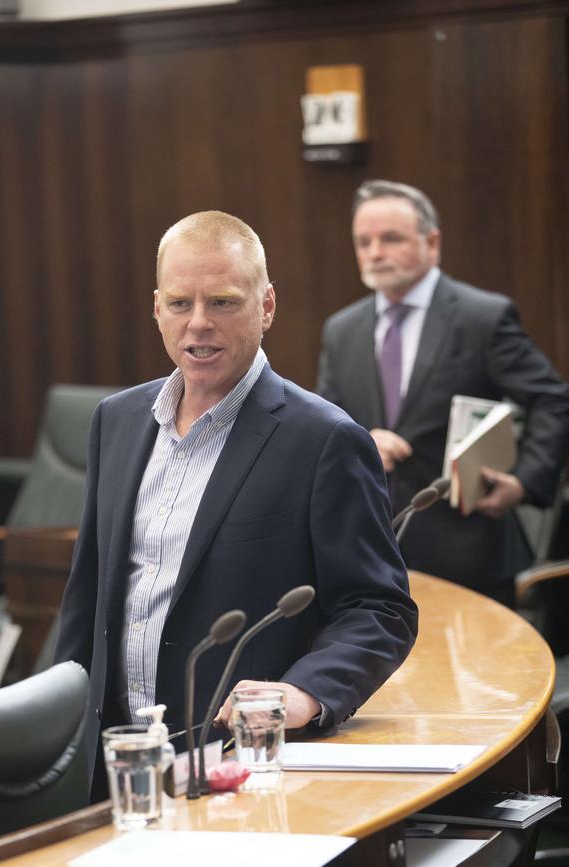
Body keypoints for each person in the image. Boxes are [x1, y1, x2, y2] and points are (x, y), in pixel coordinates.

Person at [55, 210, 418, 799]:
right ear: (156, 307)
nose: (198, 325)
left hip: (234, 764)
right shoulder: (115, 421)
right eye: (179, 304)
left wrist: (304, 692)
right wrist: (58, 733)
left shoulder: (324, 440)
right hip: (113, 762)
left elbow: (379, 608)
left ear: (266, 305)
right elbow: (89, 596)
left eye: (222, 303)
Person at [317, 179, 569, 607]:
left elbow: (552, 400)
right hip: (373, 551)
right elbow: (326, 421)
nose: (374, 252)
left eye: (390, 239)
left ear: (431, 242)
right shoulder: (341, 330)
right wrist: (363, 441)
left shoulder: (481, 317)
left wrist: (524, 482)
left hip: (469, 550)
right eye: (364, 241)